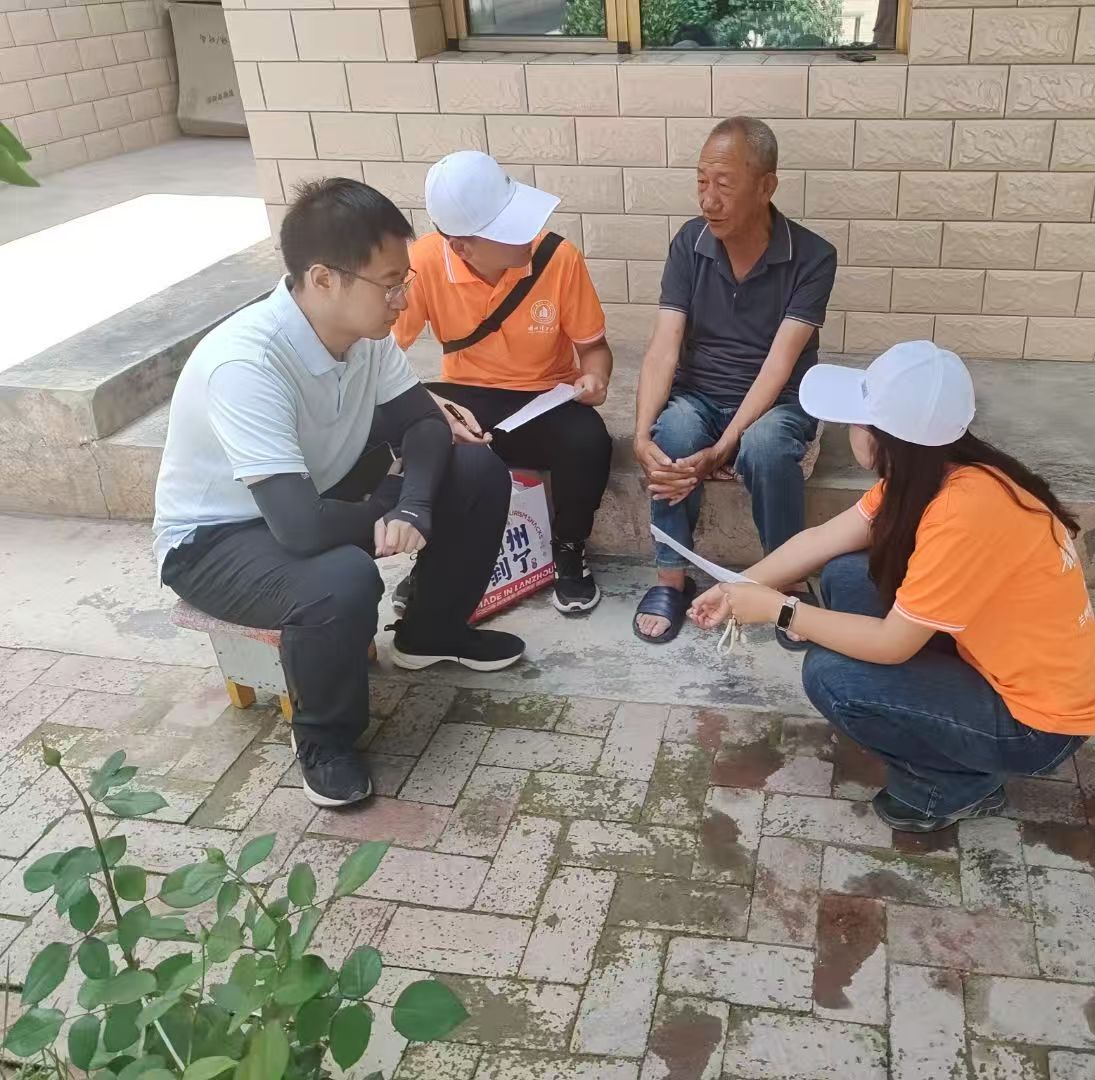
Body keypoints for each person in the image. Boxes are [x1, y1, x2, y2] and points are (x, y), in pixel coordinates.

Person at [153, 178, 524, 809]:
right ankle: (324, 741)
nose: (403, 300)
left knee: (476, 469)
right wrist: (388, 514)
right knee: (343, 579)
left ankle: (431, 633)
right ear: (324, 279)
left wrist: (413, 507)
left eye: (405, 280)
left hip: (312, 493)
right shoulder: (247, 363)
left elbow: (423, 423)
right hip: (215, 540)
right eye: (390, 284)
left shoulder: (362, 335)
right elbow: (300, 527)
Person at [689, 341, 1095, 832]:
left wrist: (780, 610)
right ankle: (948, 740)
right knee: (848, 574)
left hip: (1038, 726)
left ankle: (955, 787)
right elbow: (821, 540)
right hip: (996, 666)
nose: (849, 430)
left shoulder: (966, 512)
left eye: (856, 421)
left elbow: (892, 645)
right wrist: (735, 587)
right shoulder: (939, 471)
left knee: (833, 677)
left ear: (883, 439)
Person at [633, 116, 837, 647]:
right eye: (702, 181)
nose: (709, 199)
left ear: (766, 186)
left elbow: (779, 363)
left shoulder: (813, 256)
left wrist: (726, 445)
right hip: (700, 392)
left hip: (779, 399)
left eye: (724, 183)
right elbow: (664, 346)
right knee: (672, 436)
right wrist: (640, 434)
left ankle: (785, 580)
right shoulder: (690, 242)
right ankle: (670, 577)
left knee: (766, 446)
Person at [393, 150, 613, 615]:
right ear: (462, 247)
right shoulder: (422, 264)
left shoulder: (559, 258)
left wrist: (595, 376)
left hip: (543, 396)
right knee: (421, 431)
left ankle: (569, 548)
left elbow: (594, 348)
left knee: (589, 441)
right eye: (510, 229)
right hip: (466, 396)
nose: (529, 233)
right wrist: (431, 406)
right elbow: (380, 356)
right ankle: (436, 555)